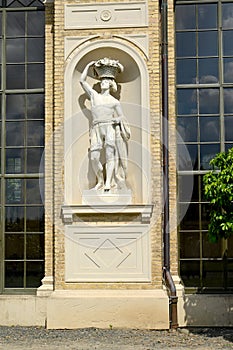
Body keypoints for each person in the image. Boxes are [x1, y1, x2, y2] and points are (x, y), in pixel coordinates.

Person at [80, 60, 130, 191]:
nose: (103, 83)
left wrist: (116, 120)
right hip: (96, 127)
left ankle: (108, 182)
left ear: (111, 84)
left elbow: (122, 117)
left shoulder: (114, 102)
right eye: (101, 81)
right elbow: (82, 81)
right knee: (94, 156)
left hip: (109, 127)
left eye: (106, 81)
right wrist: (88, 65)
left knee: (110, 155)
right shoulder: (94, 96)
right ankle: (100, 181)